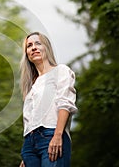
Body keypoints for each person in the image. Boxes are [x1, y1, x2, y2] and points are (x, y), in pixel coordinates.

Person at [19, 32, 78, 167]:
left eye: (38, 43)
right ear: (27, 54)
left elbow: (65, 104)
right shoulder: (31, 86)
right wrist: (27, 153)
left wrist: (58, 135)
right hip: (29, 145)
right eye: (29, 45)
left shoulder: (60, 71)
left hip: (51, 134)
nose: (33, 47)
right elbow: (30, 120)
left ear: (47, 48)